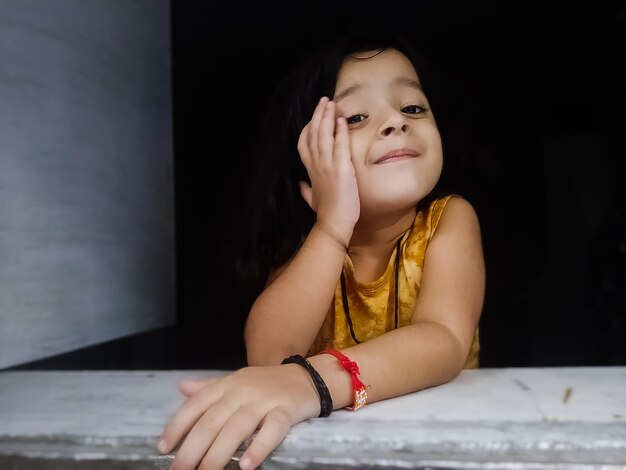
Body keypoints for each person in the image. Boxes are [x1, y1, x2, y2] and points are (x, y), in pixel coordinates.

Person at [158, 28, 485, 470]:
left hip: (444, 447)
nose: (396, 121)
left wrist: (309, 385)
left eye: (412, 107)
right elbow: (268, 359)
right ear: (309, 155)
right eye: (355, 118)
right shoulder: (311, 244)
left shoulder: (449, 219)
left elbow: (443, 340)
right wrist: (332, 227)